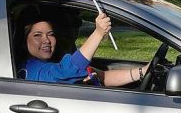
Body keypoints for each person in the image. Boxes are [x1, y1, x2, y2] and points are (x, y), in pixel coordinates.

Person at [20, 12, 149, 86]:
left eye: (50, 34)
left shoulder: (52, 62)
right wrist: (98, 33)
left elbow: (103, 77)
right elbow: (67, 71)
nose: (46, 40)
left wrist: (142, 71)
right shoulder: (31, 69)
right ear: (23, 40)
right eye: (37, 35)